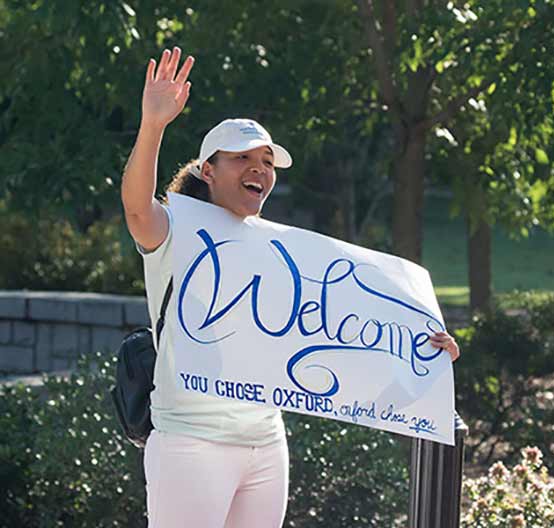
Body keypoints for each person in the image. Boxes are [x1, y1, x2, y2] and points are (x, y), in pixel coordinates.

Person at [121, 47, 461, 528]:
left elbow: (343, 332)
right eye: (242, 158)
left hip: (265, 444)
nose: (259, 168)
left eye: (266, 160)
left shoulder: (282, 252)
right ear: (209, 171)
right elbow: (137, 208)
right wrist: (153, 124)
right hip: (192, 442)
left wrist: (422, 350)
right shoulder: (174, 229)